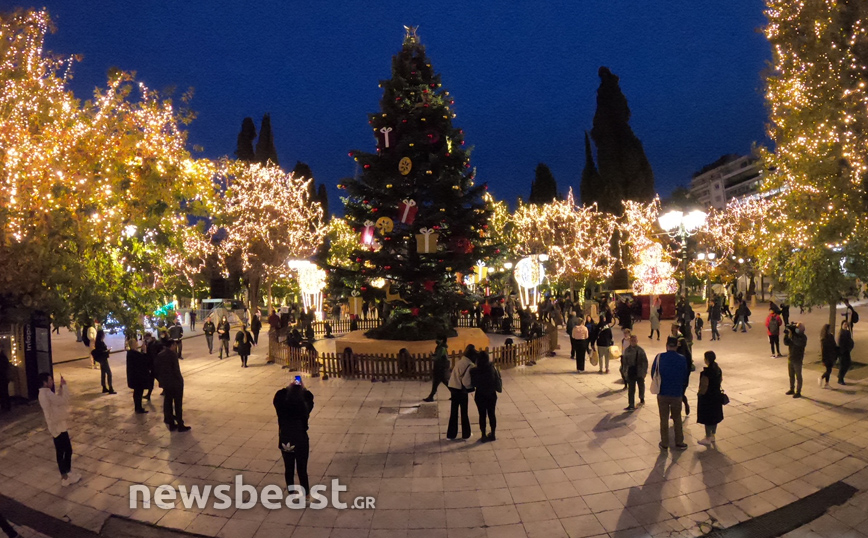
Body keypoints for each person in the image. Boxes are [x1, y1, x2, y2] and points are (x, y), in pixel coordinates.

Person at [38, 373, 81, 486]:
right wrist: (65, 387)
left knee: (63, 450)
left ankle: (67, 473)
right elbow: (63, 401)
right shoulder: (46, 394)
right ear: (45, 382)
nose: (52, 382)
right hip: (58, 426)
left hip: (56, 425)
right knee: (65, 450)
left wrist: (61, 390)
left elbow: (56, 401)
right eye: (50, 380)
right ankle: (65, 477)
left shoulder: (44, 393)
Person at [273, 378, 315, 497]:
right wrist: (301, 388)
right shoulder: (303, 407)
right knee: (302, 469)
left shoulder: (281, 404)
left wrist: (290, 387)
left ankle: (291, 490)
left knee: (288, 467)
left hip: (285, 438)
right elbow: (309, 397)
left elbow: (279, 395)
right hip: (300, 439)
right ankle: (306, 493)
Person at [650, 337, 689, 450]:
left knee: (664, 419)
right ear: (676, 346)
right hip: (676, 393)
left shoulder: (659, 357)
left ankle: (664, 442)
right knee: (677, 418)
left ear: (667, 346)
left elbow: (653, 373)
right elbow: (685, 375)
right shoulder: (682, 359)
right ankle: (679, 441)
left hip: (662, 393)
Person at [154, 340, 190, 432]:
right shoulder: (173, 355)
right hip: (175, 383)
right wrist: (180, 381)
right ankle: (180, 424)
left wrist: (162, 381)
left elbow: (157, 370)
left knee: (168, 403)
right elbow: (176, 370)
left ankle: (171, 424)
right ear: (172, 345)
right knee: (178, 404)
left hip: (166, 383)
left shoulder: (160, 355)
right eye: (175, 345)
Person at [470, 351, 502, 442]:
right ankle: (493, 434)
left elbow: (473, 384)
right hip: (491, 394)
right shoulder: (492, 368)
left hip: (480, 395)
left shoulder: (475, 371)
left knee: (482, 415)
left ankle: (483, 435)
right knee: (492, 414)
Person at [447, 345, 476, 440]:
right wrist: (471, 387)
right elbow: (466, 381)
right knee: (464, 412)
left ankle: (451, 435)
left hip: (453, 387)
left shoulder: (460, 361)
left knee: (454, 412)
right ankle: (466, 434)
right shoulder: (470, 365)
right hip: (461, 390)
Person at [697, 351, 724, 446]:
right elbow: (720, 380)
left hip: (708, 397)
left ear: (707, 359)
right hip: (716, 395)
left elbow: (704, 386)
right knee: (715, 417)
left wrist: (700, 394)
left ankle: (707, 437)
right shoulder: (718, 369)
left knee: (708, 418)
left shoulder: (707, 372)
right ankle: (713, 435)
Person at [126, 343, 153, 414]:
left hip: (135, 377)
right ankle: (138, 408)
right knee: (138, 393)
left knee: (137, 393)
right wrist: (144, 351)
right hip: (138, 377)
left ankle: (138, 407)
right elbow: (144, 360)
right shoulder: (134, 354)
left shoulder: (131, 353)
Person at [622, 335, 648, 410]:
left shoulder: (640, 350)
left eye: (634, 340)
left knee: (641, 386)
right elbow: (625, 362)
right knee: (631, 389)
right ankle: (631, 404)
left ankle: (641, 398)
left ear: (637, 341)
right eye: (632, 340)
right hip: (631, 371)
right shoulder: (627, 350)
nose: (633, 342)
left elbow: (644, 362)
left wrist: (644, 372)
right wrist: (624, 371)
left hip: (639, 371)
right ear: (630, 341)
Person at [784, 322, 807, 398]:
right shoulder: (793, 336)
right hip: (791, 358)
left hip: (797, 359)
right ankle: (791, 389)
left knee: (798, 376)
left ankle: (798, 391)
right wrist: (786, 334)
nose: (796, 329)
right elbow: (786, 343)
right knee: (791, 375)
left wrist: (793, 334)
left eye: (797, 328)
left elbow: (797, 343)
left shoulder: (803, 337)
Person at [424, 336, 450, 401]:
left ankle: (431, 396)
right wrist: (433, 355)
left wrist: (433, 357)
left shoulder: (442, 348)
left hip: (440, 368)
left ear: (442, 340)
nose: (436, 340)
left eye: (438, 339)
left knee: (437, 382)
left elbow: (438, 357)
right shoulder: (440, 347)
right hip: (440, 368)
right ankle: (455, 394)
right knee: (443, 382)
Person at [91, 330, 116, 394]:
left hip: (101, 359)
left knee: (103, 372)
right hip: (103, 359)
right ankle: (110, 387)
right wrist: (107, 351)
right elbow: (102, 351)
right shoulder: (100, 343)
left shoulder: (97, 342)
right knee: (109, 373)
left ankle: (104, 387)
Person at [818, 323, 838, 389]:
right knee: (829, 370)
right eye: (829, 329)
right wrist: (823, 359)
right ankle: (821, 377)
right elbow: (823, 350)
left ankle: (827, 383)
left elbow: (834, 345)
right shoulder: (824, 339)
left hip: (831, 355)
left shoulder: (831, 336)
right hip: (827, 357)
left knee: (829, 370)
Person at [838, 321, 854, 385]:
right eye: (844, 324)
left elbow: (850, 340)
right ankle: (840, 378)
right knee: (843, 365)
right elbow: (840, 342)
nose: (845, 326)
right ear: (842, 325)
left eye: (846, 325)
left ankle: (840, 376)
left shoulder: (847, 332)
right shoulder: (841, 333)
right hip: (843, 351)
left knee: (847, 364)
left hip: (847, 351)